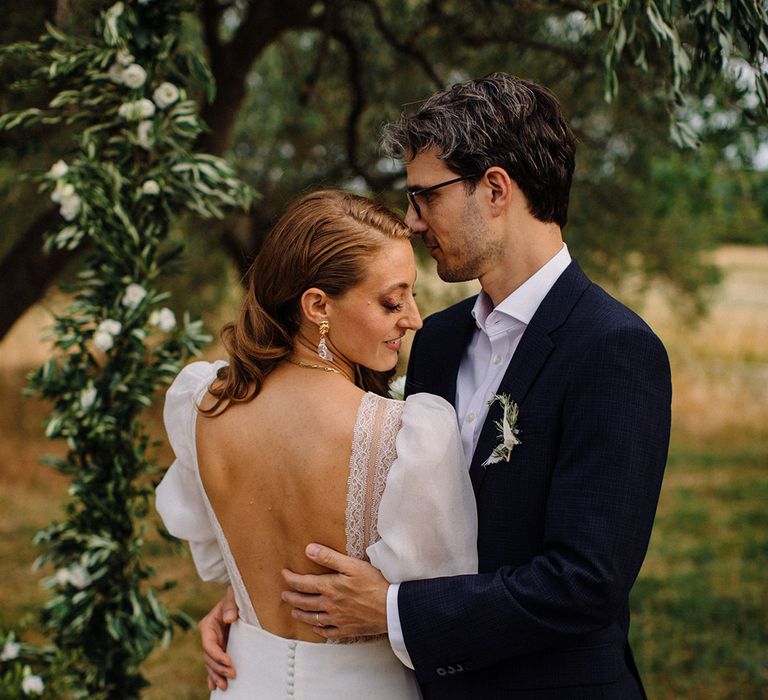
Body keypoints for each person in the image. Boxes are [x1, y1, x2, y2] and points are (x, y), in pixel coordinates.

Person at [201, 73, 672, 699]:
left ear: (496, 189)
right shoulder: (439, 338)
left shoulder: (613, 348)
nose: (413, 221)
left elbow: (584, 582)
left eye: (425, 197)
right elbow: (370, 501)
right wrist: (260, 603)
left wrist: (393, 611)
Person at [155, 189, 478, 698]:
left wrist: (240, 596)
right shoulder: (407, 434)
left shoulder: (203, 404)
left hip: (243, 679)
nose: (414, 319)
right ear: (317, 305)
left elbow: (222, 564)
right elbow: (444, 614)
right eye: (392, 301)